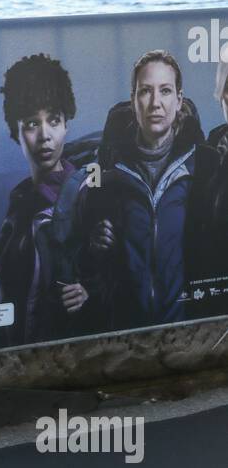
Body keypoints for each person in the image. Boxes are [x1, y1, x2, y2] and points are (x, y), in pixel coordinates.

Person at [84, 50, 222, 328]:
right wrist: (94, 244)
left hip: (193, 331)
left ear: (179, 100)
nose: (155, 103)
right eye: (145, 91)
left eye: (166, 91)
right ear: (133, 100)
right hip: (126, 335)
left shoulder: (208, 166)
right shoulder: (105, 172)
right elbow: (86, 250)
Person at [0, 54, 100, 346]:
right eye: (31, 123)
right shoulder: (21, 203)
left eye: (53, 120)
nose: (45, 136)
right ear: (16, 132)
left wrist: (92, 292)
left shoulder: (88, 195)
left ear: (67, 123)